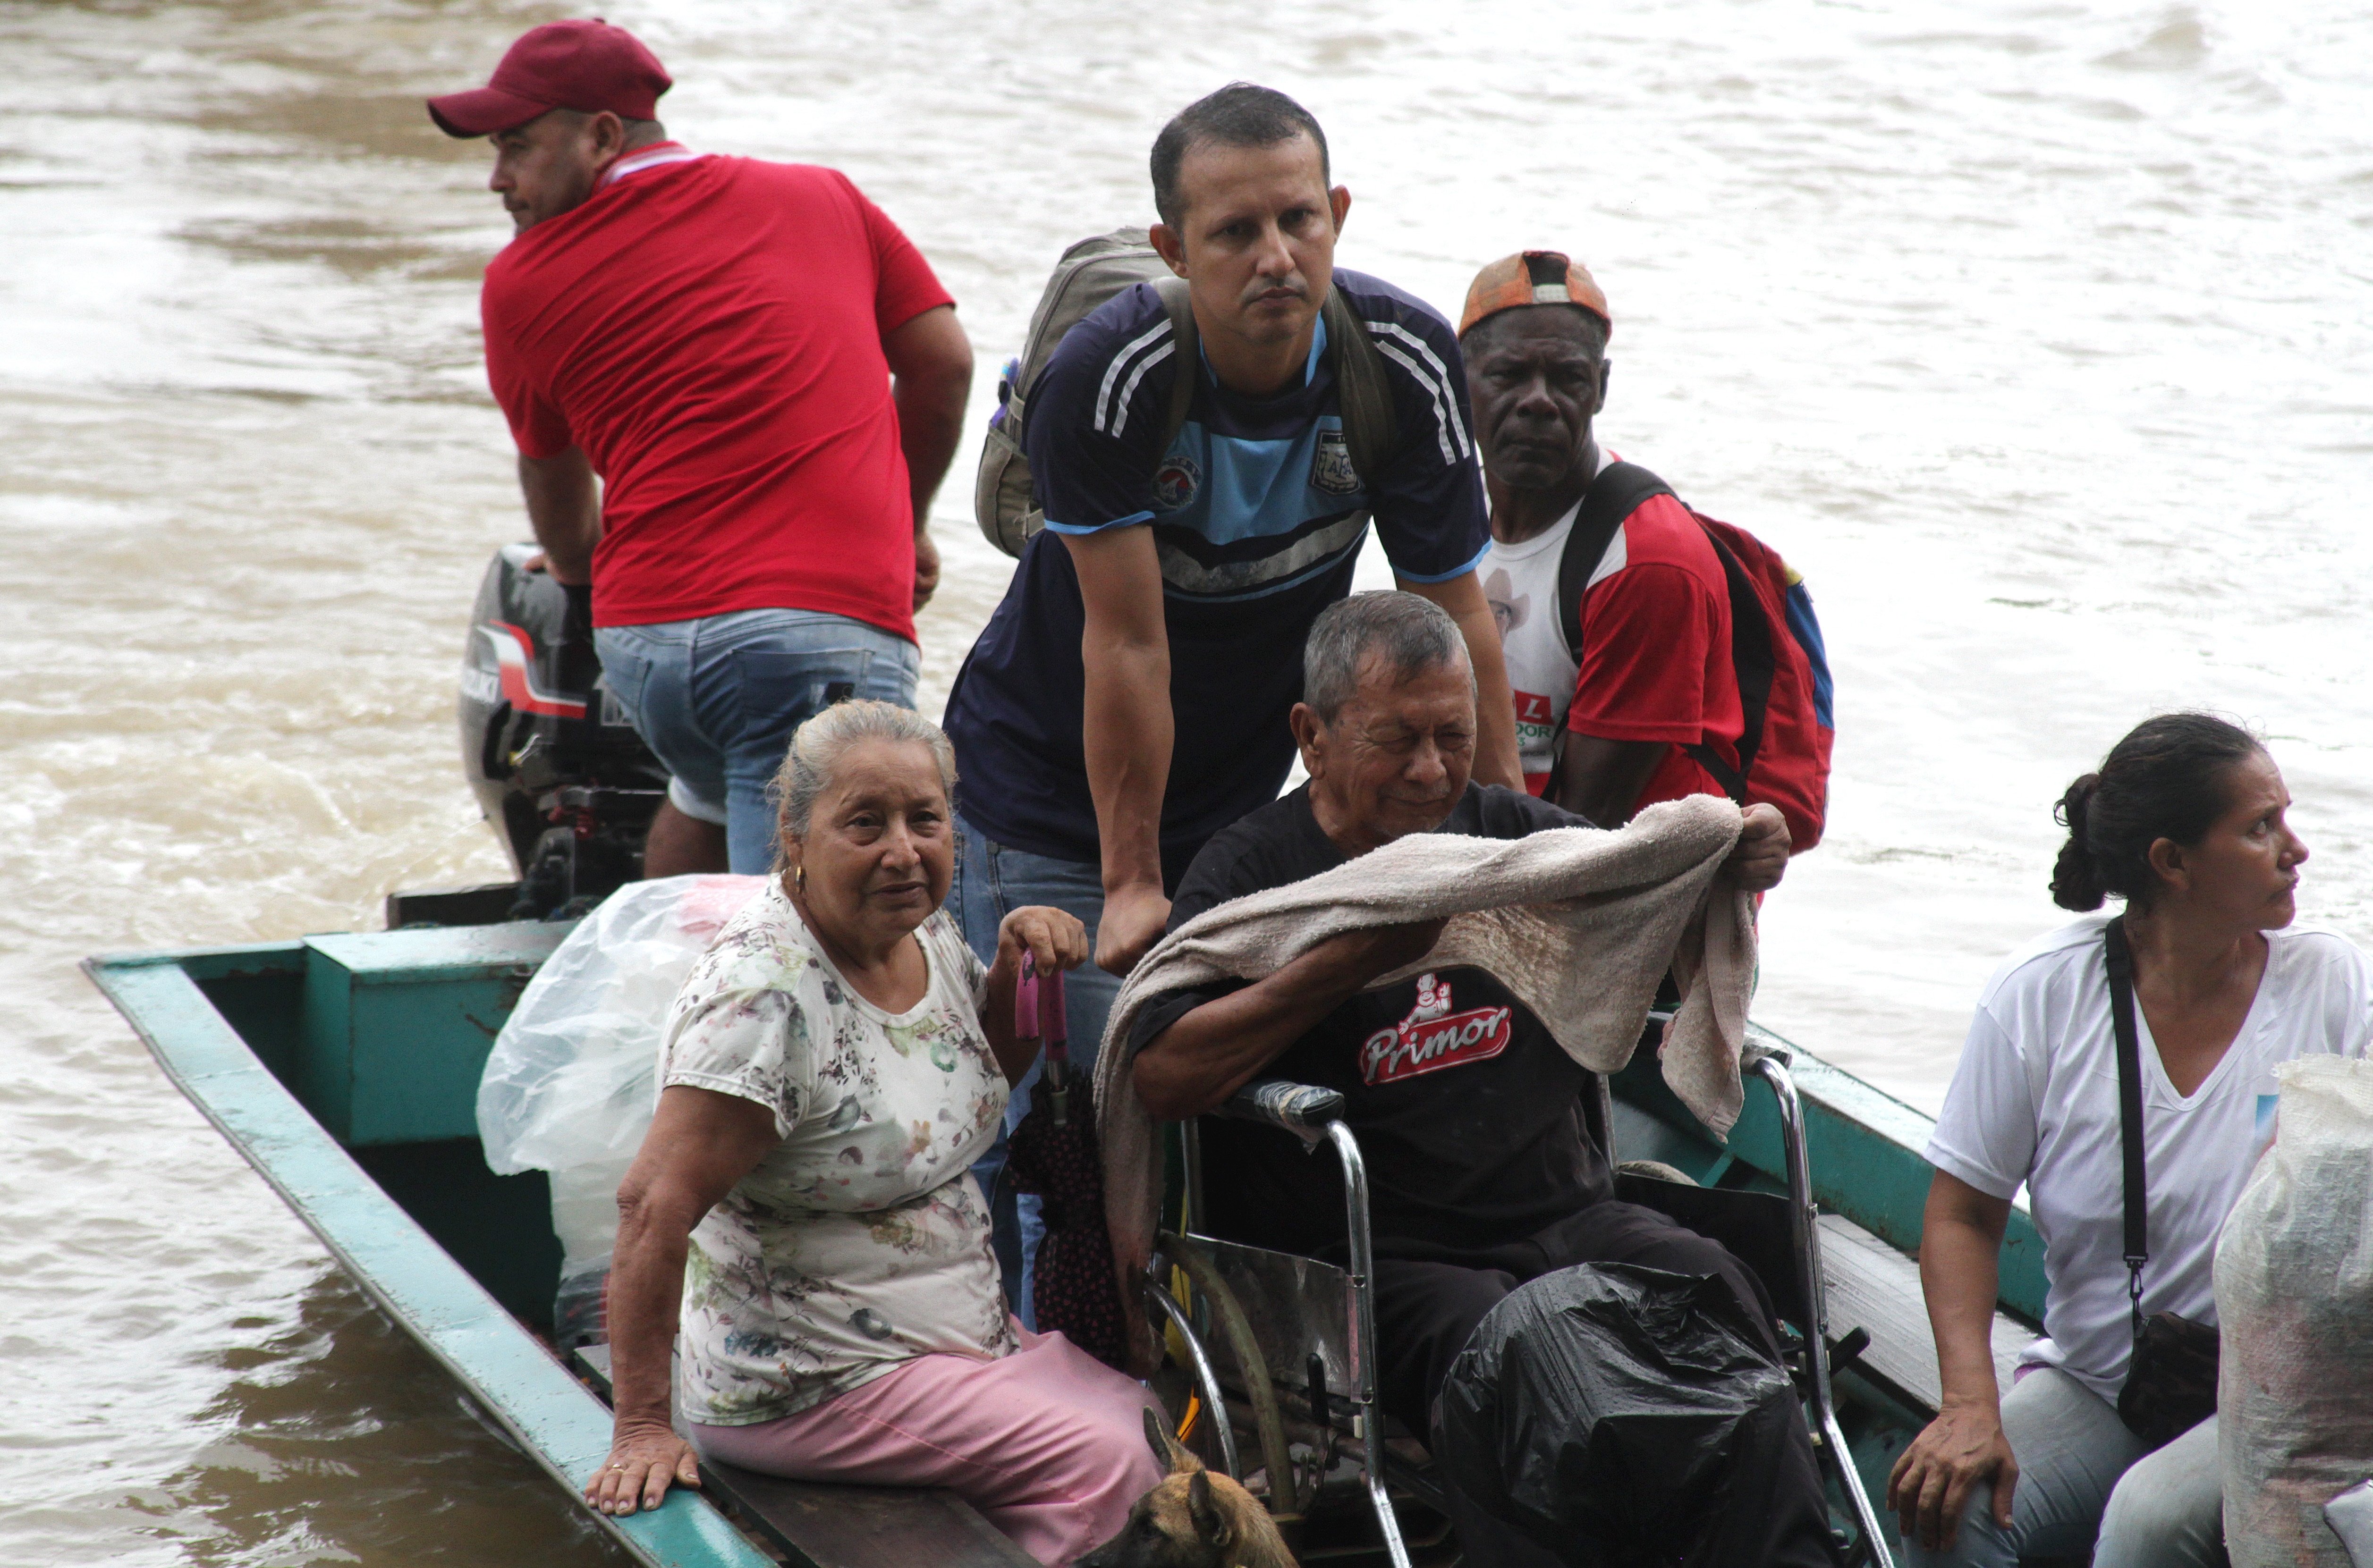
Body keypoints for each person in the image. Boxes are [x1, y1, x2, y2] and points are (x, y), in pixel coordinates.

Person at [942, 83, 1522, 1308]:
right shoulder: (1114, 375)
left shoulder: (1404, 362)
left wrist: (1501, 845)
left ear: (1338, 214)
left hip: (1240, 795)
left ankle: (1175, 1381)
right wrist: (1130, 876)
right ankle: (1002, 1382)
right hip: (1047, 790)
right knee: (1038, 1130)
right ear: (1173, 250)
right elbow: (1127, 649)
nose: (1275, 256)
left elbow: (1456, 619)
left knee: (1206, 1131)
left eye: (1298, 220)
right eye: (1234, 233)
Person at [1124, 592, 1836, 1568]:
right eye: (1396, 739)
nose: (1429, 771)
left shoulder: (1510, 842)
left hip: (1567, 1214)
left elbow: (1644, 911)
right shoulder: (1253, 874)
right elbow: (1160, 1074)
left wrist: (1726, 857)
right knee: (1530, 1353)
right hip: (1384, 1261)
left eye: (1452, 737)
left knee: (1712, 1289)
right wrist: (1349, 958)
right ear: (1312, 735)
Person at [584, 700, 1162, 1566]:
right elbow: (649, 1208)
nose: (904, 850)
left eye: (924, 819)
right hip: (812, 1379)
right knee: (1115, 1465)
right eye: (865, 822)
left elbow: (962, 1086)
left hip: (950, 1339)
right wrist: (640, 1427)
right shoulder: (764, 999)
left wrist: (1011, 969)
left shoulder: (916, 927)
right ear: (794, 835)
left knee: (1165, 1422)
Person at [429, 20, 974, 878]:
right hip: (815, 630)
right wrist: (904, 526)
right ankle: (750, 1007)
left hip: (649, 646)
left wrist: (576, 574)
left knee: (708, 795)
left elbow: (559, 498)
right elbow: (943, 364)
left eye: (518, 148)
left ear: (603, 136)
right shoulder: (824, 196)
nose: (499, 180)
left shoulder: (517, 281)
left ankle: (653, 998)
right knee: (829, 921)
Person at [1889, 713, 2373, 1566]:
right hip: (2105, 1384)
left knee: (2149, 1525)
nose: (2294, 849)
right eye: (2260, 827)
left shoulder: (2331, 983)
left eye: (2285, 819)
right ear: (2171, 862)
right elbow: (1963, 1213)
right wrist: (1969, 1403)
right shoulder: (2039, 996)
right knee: (1948, 1505)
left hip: (2277, 1397)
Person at [1460, 250, 1746, 825]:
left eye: (1567, 378)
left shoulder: (1647, 561)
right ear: (1457, 381)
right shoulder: (1444, 518)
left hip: (1630, 887)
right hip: (1504, 841)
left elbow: (1590, 829)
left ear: (1601, 388)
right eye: (1509, 375)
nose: (1539, 401)